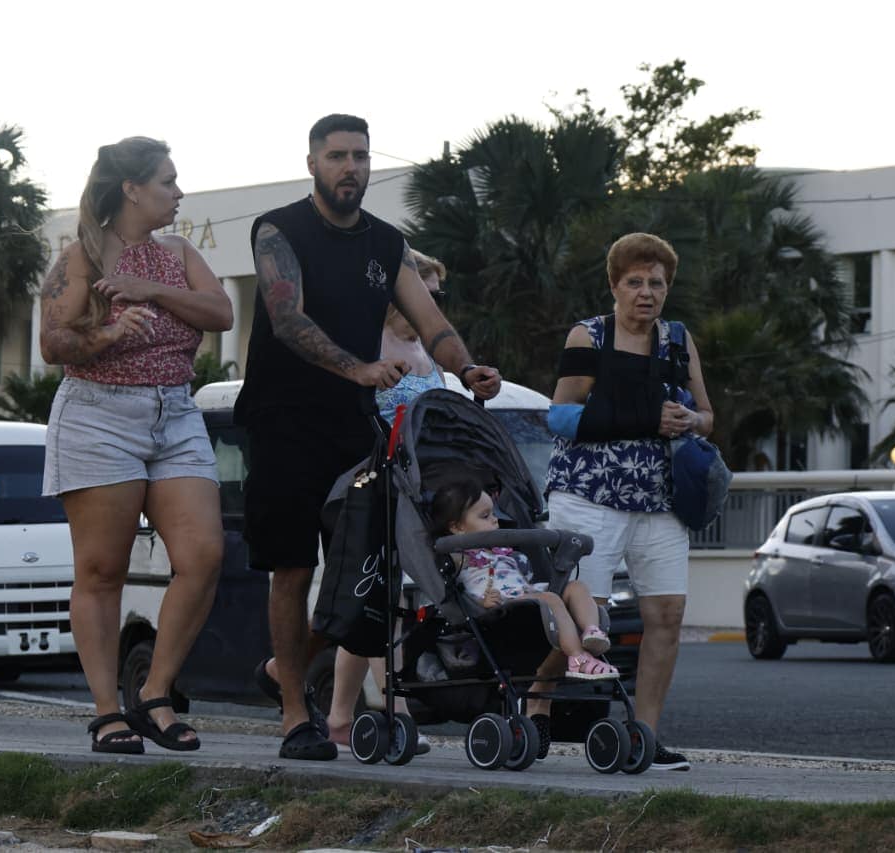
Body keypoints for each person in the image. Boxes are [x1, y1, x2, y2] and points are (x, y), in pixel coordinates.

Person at [236, 114, 501, 761]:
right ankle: (297, 716)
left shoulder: (387, 242)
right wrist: (356, 367)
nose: (349, 166)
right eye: (336, 156)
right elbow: (286, 315)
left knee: (365, 578)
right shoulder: (278, 229)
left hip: (352, 428)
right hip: (282, 422)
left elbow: (431, 319)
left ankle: (284, 671)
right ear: (313, 164)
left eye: (359, 155)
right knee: (294, 570)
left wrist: (466, 366)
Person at [39, 137, 233, 754]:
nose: (178, 194)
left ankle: (154, 692)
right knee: (102, 570)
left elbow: (221, 311)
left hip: (175, 411)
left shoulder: (177, 253)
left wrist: (151, 293)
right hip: (98, 416)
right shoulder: (80, 258)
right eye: (167, 182)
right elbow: (53, 346)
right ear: (131, 189)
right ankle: (106, 712)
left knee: (203, 555)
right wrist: (107, 331)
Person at [539, 232, 713, 771]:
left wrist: (693, 420)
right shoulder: (589, 336)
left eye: (656, 283)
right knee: (577, 615)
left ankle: (644, 734)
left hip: (659, 499)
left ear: (667, 289)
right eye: (634, 282)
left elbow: (708, 415)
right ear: (615, 285)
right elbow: (560, 415)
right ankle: (537, 697)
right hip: (589, 496)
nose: (646, 292)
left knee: (668, 612)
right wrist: (643, 419)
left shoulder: (679, 340)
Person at [324, 249, 449, 752]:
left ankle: (337, 717)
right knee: (380, 596)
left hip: (424, 488)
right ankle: (393, 708)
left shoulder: (432, 350)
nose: (438, 303)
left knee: (370, 603)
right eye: (431, 293)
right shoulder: (367, 342)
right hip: (374, 483)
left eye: (441, 294)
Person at [428, 474, 619, 680]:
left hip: (527, 596)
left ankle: (591, 631)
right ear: (457, 527)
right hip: (502, 606)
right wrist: (480, 602)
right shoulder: (461, 556)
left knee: (576, 587)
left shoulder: (501, 551)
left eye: (493, 513)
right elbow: (453, 586)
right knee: (551, 598)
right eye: (485, 516)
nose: (494, 519)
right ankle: (577, 657)